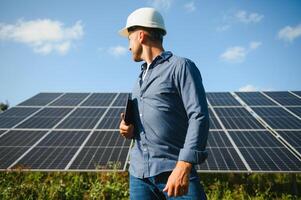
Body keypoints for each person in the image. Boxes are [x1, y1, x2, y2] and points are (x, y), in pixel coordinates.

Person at [119, 7, 209, 200]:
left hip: (174, 170)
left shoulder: (181, 67)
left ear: (141, 36)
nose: (128, 46)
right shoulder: (139, 79)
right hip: (139, 175)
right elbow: (144, 124)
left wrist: (184, 165)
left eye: (129, 39)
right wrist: (129, 130)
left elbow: (198, 116)